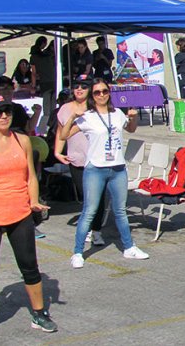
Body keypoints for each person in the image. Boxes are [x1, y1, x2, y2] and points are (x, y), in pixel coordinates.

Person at [0, 98, 57, 345]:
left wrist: (34, 201)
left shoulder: (22, 140)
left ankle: (39, 313)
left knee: (29, 266)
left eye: (7, 111)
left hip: (20, 213)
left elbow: (30, 177)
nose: (4, 116)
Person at [60, 78, 149, 268]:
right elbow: (63, 135)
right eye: (97, 92)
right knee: (89, 211)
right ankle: (77, 252)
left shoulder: (117, 113)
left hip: (117, 168)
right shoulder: (87, 116)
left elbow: (131, 129)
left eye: (104, 91)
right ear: (92, 96)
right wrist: (71, 118)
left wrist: (133, 117)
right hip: (95, 169)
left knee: (120, 210)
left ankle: (129, 247)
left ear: (109, 93)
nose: (101, 95)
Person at [54, 78, 107, 246]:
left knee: (98, 198)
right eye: (76, 86)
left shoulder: (97, 107)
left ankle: (96, 231)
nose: (79, 89)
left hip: (97, 160)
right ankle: (90, 228)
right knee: (86, 198)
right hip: (76, 160)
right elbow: (61, 131)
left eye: (84, 87)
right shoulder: (64, 109)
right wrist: (57, 152)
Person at [30, 36, 56, 131]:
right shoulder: (49, 55)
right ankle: (52, 126)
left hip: (44, 83)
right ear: (43, 44)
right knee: (53, 108)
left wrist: (33, 86)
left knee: (46, 109)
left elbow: (33, 73)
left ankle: (43, 129)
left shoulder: (33, 57)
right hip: (53, 81)